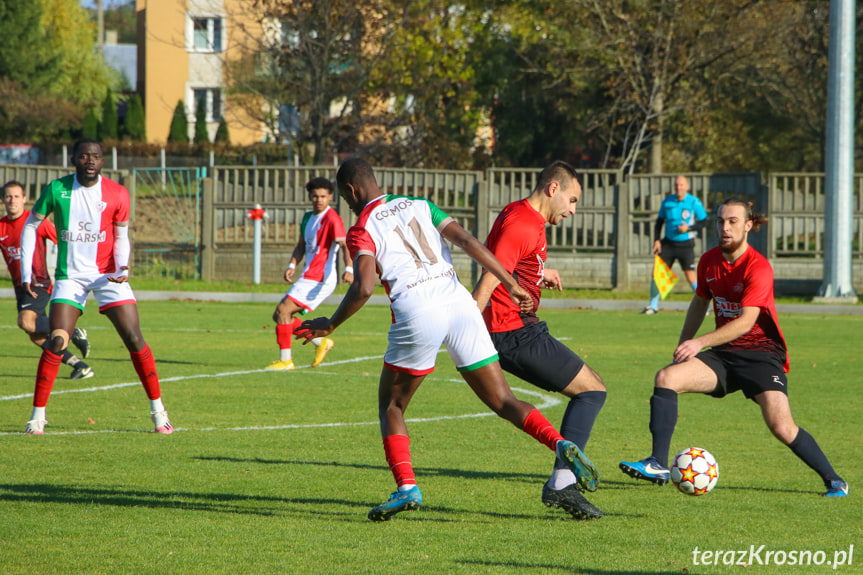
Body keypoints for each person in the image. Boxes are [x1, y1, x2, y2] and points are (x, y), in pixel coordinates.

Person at [295, 157, 600, 521]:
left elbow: (363, 287)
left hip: (417, 311)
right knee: (503, 399)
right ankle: (560, 443)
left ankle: (406, 486)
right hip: (459, 304)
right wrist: (511, 282)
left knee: (392, 406)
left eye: (346, 200)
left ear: (351, 191)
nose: (349, 205)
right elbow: (468, 240)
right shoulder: (420, 205)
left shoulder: (362, 228)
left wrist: (330, 322)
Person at [620, 198, 848, 498]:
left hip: (761, 356)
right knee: (667, 378)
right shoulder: (709, 261)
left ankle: (834, 480)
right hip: (723, 355)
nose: (725, 228)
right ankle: (658, 463)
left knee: (781, 426)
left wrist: (699, 341)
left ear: (748, 225)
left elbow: (746, 321)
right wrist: (682, 345)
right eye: (720, 221)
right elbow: (700, 302)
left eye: (733, 222)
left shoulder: (759, 267)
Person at [472, 160, 607, 520]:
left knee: (585, 391)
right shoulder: (523, 224)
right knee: (592, 391)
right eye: (573, 200)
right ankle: (562, 484)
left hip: (515, 325)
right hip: (512, 330)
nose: (573, 211)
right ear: (553, 189)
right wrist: (466, 327)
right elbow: (490, 276)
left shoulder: (518, 213)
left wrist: (538, 271)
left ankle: (562, 482)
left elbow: (507, 262)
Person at [19, 139, 173, 435]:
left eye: (96, 156)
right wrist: (28, 271)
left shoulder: (118, 193)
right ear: (74, 160)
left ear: (103, 161)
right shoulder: (57, 189)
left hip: (107, 276)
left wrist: (122, 268)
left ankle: (158, 411)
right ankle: (37, 418)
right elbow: (31, 225)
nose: (91, 160)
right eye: (84, 156)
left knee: (134, 338)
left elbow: (122, 235)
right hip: (70, 277)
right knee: (58, 340)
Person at [1, 181, 93, 379]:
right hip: (20, 287)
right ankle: (80, 366)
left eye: (16, 196)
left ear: (25, 199)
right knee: (37, 336)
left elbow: (61, 240)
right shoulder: (1, 227)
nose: (12, 201)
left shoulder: (35, 222)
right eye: (8, 197)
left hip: (38, 283)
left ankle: (73, 330)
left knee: (25, 322)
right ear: (3, 201)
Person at [267, 177, 352, 370]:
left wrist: (349, 269)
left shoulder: (332, 218)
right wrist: (292, 264)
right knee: (279, 315)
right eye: (315, 196)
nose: (319, 200)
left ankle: (286, 360)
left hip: (320, 278)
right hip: (308, 274)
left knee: (283, 311)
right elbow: (301, 246)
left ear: (330, 197)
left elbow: (345, 245)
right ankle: (320, 343)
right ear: (310, 197)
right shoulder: (307, 218)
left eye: (323, 196)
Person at [642, 175, 707, 314]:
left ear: (687, 186)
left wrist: (688, 228)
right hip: (669, 244)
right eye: (677, 185)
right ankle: (652, 306)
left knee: (691, 276)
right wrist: (657, 240)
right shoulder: (667, 201)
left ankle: (704, 307)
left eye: (681, 185)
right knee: (658, 274)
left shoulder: (694, 202)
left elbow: (703, 222)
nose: (679, 187)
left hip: (686, 244)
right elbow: (659, 221)